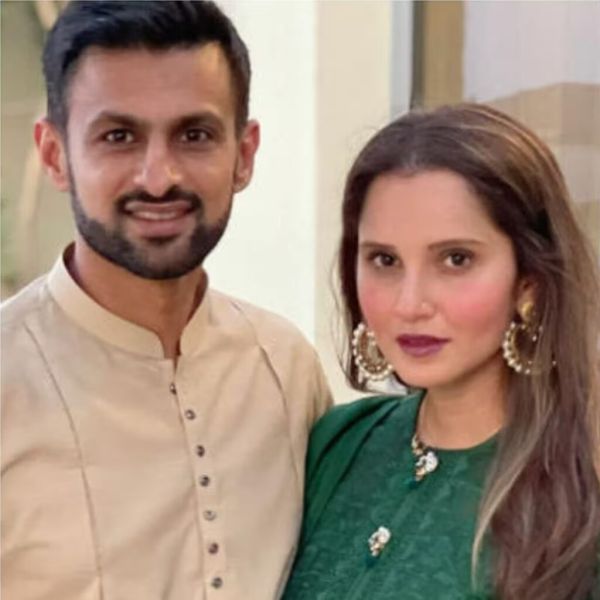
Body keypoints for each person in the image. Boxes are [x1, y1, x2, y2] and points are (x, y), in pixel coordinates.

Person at [0, 2, 331, 599]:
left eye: (194, 135)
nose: (158, 178)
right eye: (118, 137)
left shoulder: (285, 370)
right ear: (54, 155)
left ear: (244, 155)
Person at [283, 104, 600, 600]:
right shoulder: (340, 443)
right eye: (384, 259)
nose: (410, 304)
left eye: (455, 259)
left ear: (529, 282)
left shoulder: (581, 482)